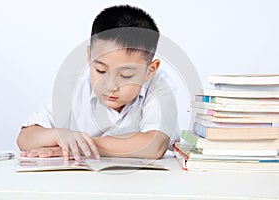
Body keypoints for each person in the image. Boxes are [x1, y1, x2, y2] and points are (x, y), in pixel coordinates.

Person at [17, 5, 179, 160]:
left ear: (150, 70)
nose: (109, 86)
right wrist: (57, 135)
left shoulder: (160, 88)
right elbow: (25, 138)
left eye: (126, 75)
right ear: (89, 55)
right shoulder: (73, 88)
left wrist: (79, 147)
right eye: (100, 71)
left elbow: (154, 146)